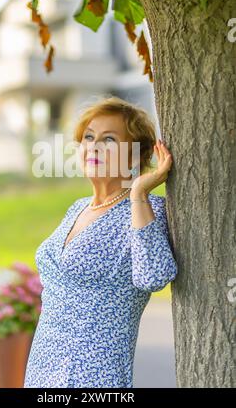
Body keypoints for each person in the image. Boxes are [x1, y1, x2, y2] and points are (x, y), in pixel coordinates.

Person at [24, 96, 178, 388]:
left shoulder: (146, 209)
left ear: (133, 156)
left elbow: (154, 277)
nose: (93, 146)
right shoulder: (78, 207)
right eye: (88, 137)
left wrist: (139, 194)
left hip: (93, 376)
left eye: (108, 140)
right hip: (43, 369)